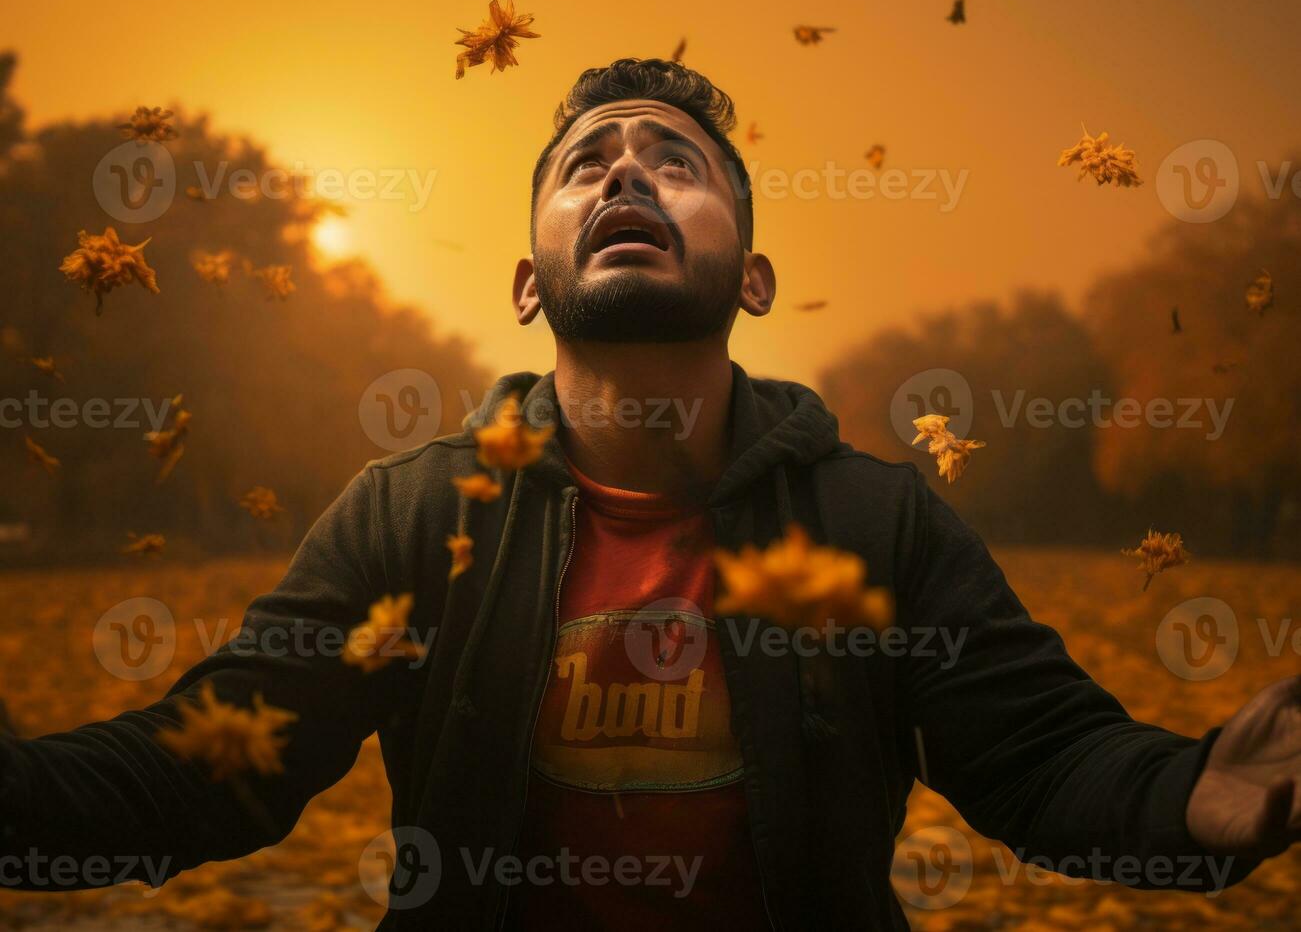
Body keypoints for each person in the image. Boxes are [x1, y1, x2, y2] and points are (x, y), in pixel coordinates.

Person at [1, 59, 1297, 930]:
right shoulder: (417, 515)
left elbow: (1040, 752)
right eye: (587, 165)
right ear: (525, 283)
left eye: (672, 163)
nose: (623, 176)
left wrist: (1187, 799)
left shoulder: (872, 520)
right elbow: (224, 751)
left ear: (754, 279)